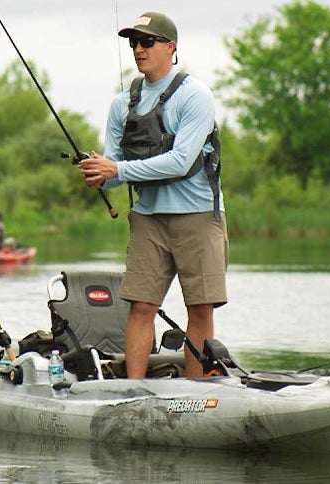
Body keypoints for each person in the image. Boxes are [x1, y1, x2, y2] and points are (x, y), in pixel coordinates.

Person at [78, 11, 228, 378]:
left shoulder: (196, 96)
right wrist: (100, 174)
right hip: (148, 220)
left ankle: (197, 394)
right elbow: (115, 171)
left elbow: (179, 162)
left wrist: (118, 170)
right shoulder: (121, 105)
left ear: (170, 47)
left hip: (198, 217)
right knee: (141, 307)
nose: (138, 49)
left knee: (200, 309)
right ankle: (133, 391)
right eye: (133, 43)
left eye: (147, 41)